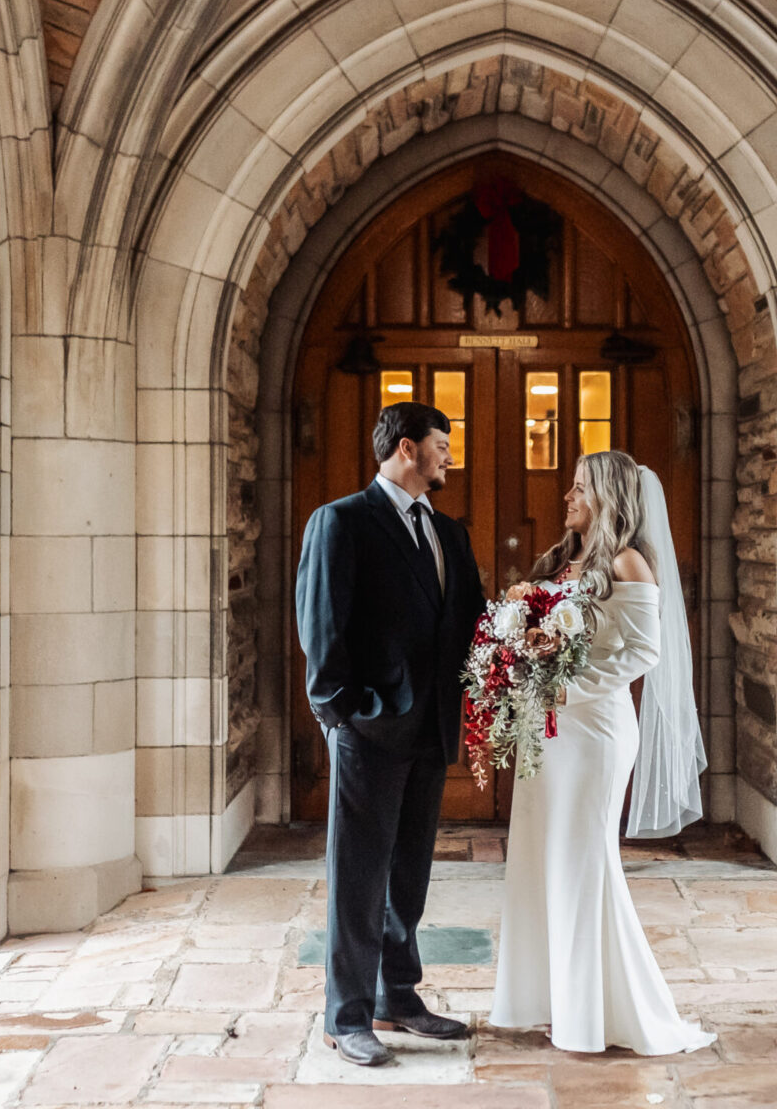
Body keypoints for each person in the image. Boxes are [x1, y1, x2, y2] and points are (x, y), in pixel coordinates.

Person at [489, 449, 715, 1055]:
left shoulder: (628, 562)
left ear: (609, 498)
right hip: (552, 730)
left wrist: (568, 685)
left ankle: (595, 1012)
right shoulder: (568, 559)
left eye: (580, 489)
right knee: (543, 859)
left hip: (595, 733)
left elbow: (643, 651)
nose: (567, 497)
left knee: (583, 862)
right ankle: (555, 1000)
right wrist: (520, 655)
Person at [295, 401, 487, 1067]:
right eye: (441, 444)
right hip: (368, 732)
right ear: (407, 448)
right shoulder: (342, 521)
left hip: (433, 730)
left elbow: (470, 623)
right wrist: (345, 713)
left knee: (407, 874)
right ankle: (344, 1016)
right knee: (358, 878)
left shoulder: (448, 533)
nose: (448, 456)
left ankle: (396, 997)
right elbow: (322, 628)